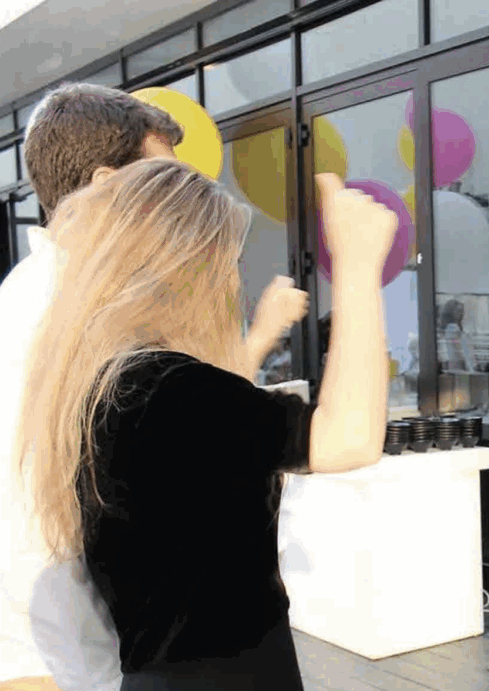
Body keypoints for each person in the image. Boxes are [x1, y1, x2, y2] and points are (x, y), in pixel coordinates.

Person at [14, 165, 395, 691]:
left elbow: (213, 429)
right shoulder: (164, 388)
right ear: (186, 271)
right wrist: (356, 267)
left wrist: (262, 333)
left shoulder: (114, 385)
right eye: (229, 263)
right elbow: (350, 437)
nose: (234, 282)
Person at [0, 82, 278, 691]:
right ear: (107, 186)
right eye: (160, 180)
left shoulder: (30, 290)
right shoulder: (82, 310)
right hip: (69, 656)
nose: (175, 201)